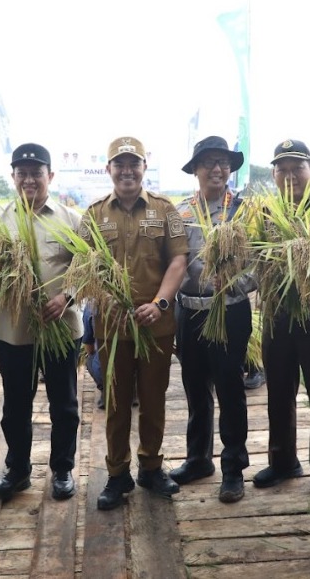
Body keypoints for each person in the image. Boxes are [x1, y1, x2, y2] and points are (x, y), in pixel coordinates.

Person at [81, 136, 188, 510]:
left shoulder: (164, 210)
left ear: (145, 166)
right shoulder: (94, 214)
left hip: (156, 326)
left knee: (154, 400)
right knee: (116, 403)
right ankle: (116, 474)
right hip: (112, 327)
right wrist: (104, 296)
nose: (127, 171)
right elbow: (84, 267)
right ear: (108, 168)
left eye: (134, 163)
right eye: (119, 164)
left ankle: (151, 467)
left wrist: (160, 303)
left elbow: (178, 261)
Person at [0, 143, 83, 502]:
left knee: (64, 402)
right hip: (14, 329)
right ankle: (18, 470)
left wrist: (66, 297)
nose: (29, 179)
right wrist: (12, 290)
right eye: (22, 173)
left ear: (50, 176)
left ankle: (62, 469)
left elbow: (86, 267)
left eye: (36, 172)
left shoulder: (71, 219)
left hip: (61, 326)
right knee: (15, 404)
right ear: (13, 177)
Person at [252, 139, 310, 503]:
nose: (289, 176)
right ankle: (282, 461)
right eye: (282, 169)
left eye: (297, 168)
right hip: (277, 316)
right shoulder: (264, 213)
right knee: (278, 391)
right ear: (273, 174)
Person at [170, 136, 255, 503]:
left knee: (230, 390)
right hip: (188, 311)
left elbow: (260, 264)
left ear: (230, 168)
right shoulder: (181, 211)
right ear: (196, 170)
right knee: (195, 387)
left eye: (223, 163)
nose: (217, 169)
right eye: (209, 163)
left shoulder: (245, 211)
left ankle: (233, 467)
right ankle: (198, 459)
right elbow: (171, 261)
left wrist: (236, 281)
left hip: (230, 311)